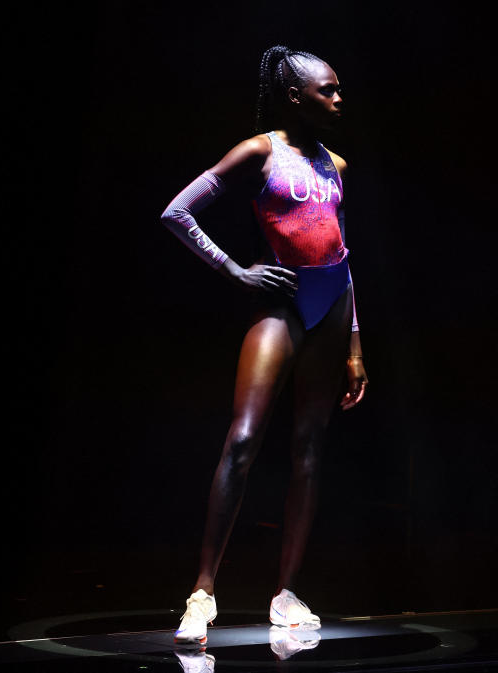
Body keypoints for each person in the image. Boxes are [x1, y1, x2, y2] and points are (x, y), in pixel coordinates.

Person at [160, 44, 368, 647]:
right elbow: (178, 212)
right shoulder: (260, 151)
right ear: (293, 96)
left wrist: (355, 344)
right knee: (245, 438)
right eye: (326, 91)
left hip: (332, 305)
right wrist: (234, 271)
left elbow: (343, 255)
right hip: (279, 303)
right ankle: (202, 594)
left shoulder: (338, 165)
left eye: (338, 89)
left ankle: (286, 594)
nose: (337, 99)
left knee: (308, 448)